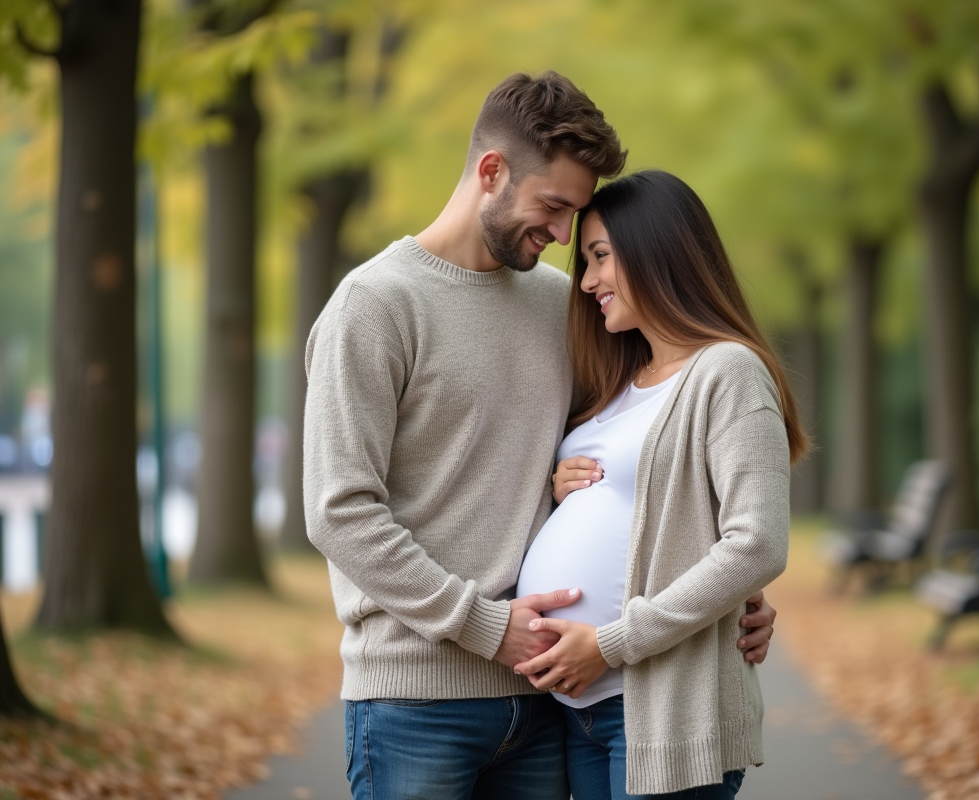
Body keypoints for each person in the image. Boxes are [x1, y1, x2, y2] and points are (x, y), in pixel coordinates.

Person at [302, 73, 779, 800]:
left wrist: (729, 604)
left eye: (578, 221)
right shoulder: (373, 307)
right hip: (416, 698)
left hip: (547, 703)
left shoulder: (561, 305)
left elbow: (651, 453)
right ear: (491, 171)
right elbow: (340, 512)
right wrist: (488, 626)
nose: (563, 238)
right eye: (554, 207)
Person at [514, 170, 808, 799]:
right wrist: (559, 489)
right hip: (580, 713)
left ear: (658, 250)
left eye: (599, 257)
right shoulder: (621, 379)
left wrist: (612, 643)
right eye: (584, 262)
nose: (587, 281)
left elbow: (757, 544)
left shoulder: (727, 371)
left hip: (660, 709)